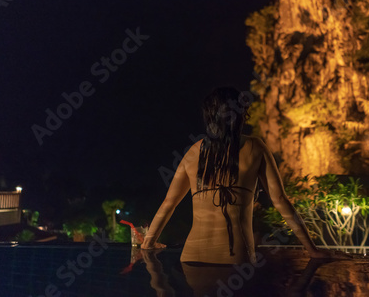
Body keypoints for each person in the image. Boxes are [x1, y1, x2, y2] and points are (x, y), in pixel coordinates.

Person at [141, 86, 344, 265]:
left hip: (192, 258)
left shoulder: (193, 152)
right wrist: (312, 250)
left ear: (209, 116)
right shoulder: (255, 147)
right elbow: (280, 201)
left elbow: (169, 203)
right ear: (239, 115)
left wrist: (148, 242)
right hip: (235, 259)